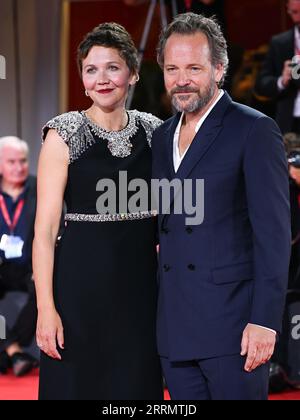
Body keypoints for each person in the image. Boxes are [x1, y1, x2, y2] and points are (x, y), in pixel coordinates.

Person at [151, 12, 291, 400]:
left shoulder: (253, 129)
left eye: (194, 67)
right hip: (175, 330)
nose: (182, 79)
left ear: (219, 68)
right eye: (172, 68)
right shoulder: (161, 137)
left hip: (234, 330)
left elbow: (274, 237)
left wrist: (264, 321)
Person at [33, 22, 163, 400]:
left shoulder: (155, 131)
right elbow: (44, 232)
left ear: (133, 73)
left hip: (140, 293)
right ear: (82, 78)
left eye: (112, 67)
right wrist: (46, 308)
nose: (102, 79)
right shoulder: (64, 133)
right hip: (78, 292)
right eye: (91, 69)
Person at [0, 136, 38, 377]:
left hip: (30, 266)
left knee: (49, 285)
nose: (18, 167)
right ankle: (14, 351)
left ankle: (11, 349)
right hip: (2, 267)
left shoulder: (39, 187)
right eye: (11, 162)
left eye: (22, 161)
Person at [255, 0, 300, 135]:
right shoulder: (280, 43)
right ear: (288, 8)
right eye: (296, 11)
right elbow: (261, 84)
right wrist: (282, 80)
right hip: (290, 123)